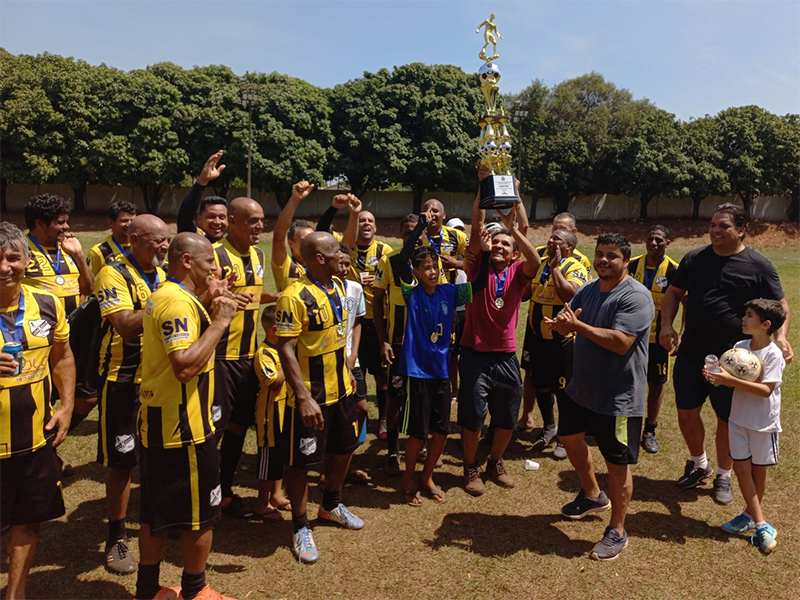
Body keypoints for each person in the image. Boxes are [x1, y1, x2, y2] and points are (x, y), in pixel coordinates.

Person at [660, 204, 792, 505]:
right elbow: (673, 294)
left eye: (724, 226)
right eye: (713, 225)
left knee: (726, 420)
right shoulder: (694, 258)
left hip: (736, 364)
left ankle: (723, 474)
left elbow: (781, 305)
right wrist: (667, 325)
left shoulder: (758, 265)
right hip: (692, 352)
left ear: (741, 230)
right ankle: (699, 462)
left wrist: (781, 338)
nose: (715, 231)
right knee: (686, 412)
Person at [135, 232, 238, 600]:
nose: (216, 267)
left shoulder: (173, 296)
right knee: (201, 514)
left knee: (156, 512)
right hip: (184, 428)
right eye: (210, 261)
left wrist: (209, 299)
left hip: (162, 422)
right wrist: (221, 319)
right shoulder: (177, 303)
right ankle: (196, 590)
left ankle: (148, 589)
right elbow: (184, 366)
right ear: (187, 262)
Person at [546, 233, 653, 561]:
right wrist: (563, 326)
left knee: (617, 463)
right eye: (600, 254)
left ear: (625, 261)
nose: (604, 260)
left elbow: (621, 341)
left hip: (619, 396)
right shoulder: (590, 289)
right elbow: (574, 321)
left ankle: (618, 529)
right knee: (569, 437)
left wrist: (578, 326)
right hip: (583, 389)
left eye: (612, 256)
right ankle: (593, 494)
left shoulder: (636, 297)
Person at [276, 232, 363, 564]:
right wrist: (303, 397)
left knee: (344, 451)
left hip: (341, 389)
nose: (342, 254)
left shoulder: (340, 286)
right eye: (333, 251)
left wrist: (348, 375)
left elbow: (336, 338)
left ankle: (330, 504)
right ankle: (300, 526)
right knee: (301, 465)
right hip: (311, 396)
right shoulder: (294, 296)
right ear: (318, 259)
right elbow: (285, 347)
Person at [1, 222, 75, 600]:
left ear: (27, 261)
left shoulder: (46, 303)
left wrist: (66, 406)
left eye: (13, 257)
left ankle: (16, 593)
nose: (4, 266)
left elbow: (62, 356)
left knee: (27, 522)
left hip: (32, 440)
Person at [94, 215, 169, 575]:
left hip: (160, 379)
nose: (164, 247)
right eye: (157, 241)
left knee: (158, 455)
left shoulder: (164, 272)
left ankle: (156, 523)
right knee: (122, 462)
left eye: (167, 240)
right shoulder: (113, 273)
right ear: (135, 238)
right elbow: (124, 325)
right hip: (122, 379)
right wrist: (168, 301)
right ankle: (116, 536)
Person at [399, 225, 491, 506]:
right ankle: (408, 479)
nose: (432, 271)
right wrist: (419, 230)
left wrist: (485, 254)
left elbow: (480, 285)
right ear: (415, 272)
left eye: (435, 266)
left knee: (441, 431)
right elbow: (403, 257)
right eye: (426, 267)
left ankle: (428, 477)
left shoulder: (450, 292)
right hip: (417, 371)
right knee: (418, 432)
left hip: (440, 372)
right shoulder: (410, 292)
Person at [458, 186, 541, 497]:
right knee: (473, 415)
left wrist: (513, 230)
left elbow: (535, 258)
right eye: (496, 242)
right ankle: (470, 466)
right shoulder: (476, 266)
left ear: (513, 251)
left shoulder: (519, 272)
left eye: (505, 244)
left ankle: (494, 461)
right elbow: (476, 223)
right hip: (474, 353)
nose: (499, 246)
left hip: (506, 355)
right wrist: (481, 190)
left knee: (506, 417)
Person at [704, 299, 786, 554]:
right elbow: (732, 381)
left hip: (763, 424)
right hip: (737, 419)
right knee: (740, 469)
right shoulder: (740, 347)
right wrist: (717, 378)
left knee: (757, 472)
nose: (743, 318)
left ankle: (750, 515)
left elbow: (765, 390)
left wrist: (731, 380)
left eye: (749, 315)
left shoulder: (773, 355)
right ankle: (760, 523)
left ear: (766, 324)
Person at [213, 196, 276, 519]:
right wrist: (219, 296)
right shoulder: (214, 255)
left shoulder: (259, 254)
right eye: (252, 220)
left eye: (262, 220)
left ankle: (224, 492)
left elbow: (252, 294)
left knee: (239, 427)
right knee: (214, 430)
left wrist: (277, 297)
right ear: (233, 221)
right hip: (219, 358)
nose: (260, 226)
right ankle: (204, 496)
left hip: (249, 357)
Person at [22, 193, 95, 451]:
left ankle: (51, 445)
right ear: (40, 224)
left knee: (87, 399)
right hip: (36, 337)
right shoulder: (20, 251)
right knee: (41, 397)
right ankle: (43, 453)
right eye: (59, 222)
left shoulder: (68, 248)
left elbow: (88, 287)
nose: (66, 227)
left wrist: (78, 257)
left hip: (73, 335)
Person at [518, 229, 588, 459]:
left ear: (568, 246)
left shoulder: (574, 266)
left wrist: (556, 269)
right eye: (549, 238)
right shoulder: (540, 263)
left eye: (556, 240)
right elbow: (527, 293)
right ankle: (550, 427)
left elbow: (569, 294)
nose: (550, 241)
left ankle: (565, 437)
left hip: (562, 340)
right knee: (541, 386)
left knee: (564, 390)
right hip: (538, 337)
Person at [373, 215, 424, 475]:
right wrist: (383, 340)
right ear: (400, 235)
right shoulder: (390, 261)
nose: (412, 238)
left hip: (425, 345)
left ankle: (418, 444)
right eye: (407, 233)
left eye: (416, 233)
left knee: (420, 398)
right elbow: (377, 300)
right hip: (399, 343)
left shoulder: (431, 260)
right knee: (396, 397)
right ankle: (393, 451)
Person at [627, 225, 680, 454]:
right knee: (626, 379)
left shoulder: (675, 270)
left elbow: (687, 303)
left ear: (668, 242)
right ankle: (624, 424)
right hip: (630, 336)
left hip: (658, 339)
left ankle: (649, 429)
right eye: (650, 239)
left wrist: (682, 333)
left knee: (656, 384)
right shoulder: (631, 265)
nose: (654, 243)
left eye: (659, 240)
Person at [346, 210, 391, 439]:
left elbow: (393, 280)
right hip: (352, 320)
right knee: (355, 369)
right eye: (362, 220)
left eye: (370, 221)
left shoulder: (384, 250)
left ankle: (383, 420)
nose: (366, 223)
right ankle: (358, 420)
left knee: (381, 375)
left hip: (377, 320)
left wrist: (380, 283)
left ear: (375, 227)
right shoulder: (347, 249)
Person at [252, 305, 291, 521]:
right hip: (270, 416)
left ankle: (276, 496)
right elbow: (274, 382)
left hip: (285, 413)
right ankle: (261, 502)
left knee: (279, 458)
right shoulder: (264, 353)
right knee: (268, 461)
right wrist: (288, 360)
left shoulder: (281, 350)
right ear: (275, 329)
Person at [337, 243, 370, 483]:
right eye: (339, 263)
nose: (344, 268)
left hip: (351, 361)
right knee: (335, 415)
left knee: (361, 409)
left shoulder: (356, 289)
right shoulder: (321, 290)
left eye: (347, 264)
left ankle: (347, 460)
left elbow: (357, 323)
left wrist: (353, 354)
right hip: (326, 362)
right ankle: (331, 465)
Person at [177, 150, 228, 242]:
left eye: (222, 217)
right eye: (211, 216)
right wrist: (202, 182)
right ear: (199, 219)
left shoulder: (232, 246)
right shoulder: (195, 240)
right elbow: (185, 216)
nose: (217, 222)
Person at [445, 217, 469, 403]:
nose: (460, 234)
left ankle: (467, 387)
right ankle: (454, 389)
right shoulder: (444, 255)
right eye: (456, 230)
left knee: (466, 352)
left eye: (462, 230)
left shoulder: (468, 256)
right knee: (452, 354)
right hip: (451, 308)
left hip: (465, 307)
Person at [420, 199, 467, 285]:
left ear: (444, 215)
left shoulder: (457, 235)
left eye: (435, 211)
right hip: (425, 289)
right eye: (427, 211)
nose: (431, 214)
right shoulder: (418, 237)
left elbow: (475, 263)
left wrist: (455, 263)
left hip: (451, 288)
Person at [86, 200, 137, 276]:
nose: (129, 224)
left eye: (132, 221)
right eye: (124, 221)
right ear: (111, 222)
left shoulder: (140, 246)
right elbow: (89, 281)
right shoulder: (99, 252)